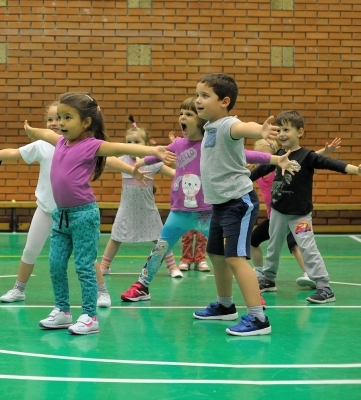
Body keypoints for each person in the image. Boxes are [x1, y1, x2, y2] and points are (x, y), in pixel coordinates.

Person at [0, 101, 150, 308]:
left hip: (73, 211)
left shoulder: (79, 146)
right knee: (30, 250)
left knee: (86, 256)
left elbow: (108, 159)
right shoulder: (42, 146)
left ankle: (102, 292)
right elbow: (14, 153)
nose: (55, 123)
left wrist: (131, 169)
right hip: (46, 209)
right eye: (51, 119)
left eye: (61, 118)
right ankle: (19, 289)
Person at [23, 92, 174, 335]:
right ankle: (62, 311)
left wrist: (152, 150)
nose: (60, 122)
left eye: (67, 118)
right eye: (59, 117)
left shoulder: (91, 145)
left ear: (86, 123)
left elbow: (117, 147)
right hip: (60, 215)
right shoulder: (60, 141)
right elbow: (46, 133)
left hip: (83, 215)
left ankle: (89, 316)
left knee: (84, 265)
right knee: (55, 263)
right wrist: (32, 131)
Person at [120, 97, 293, 304]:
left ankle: (253, 295)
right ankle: (142, 286)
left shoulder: (212, 143)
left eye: (189, 114)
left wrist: (274, 160)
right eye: (181, 113)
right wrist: (140, 165)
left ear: (201, 120)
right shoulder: (178, 143)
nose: (183, 117)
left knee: (227, 258)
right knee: (160, 248)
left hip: (208, 213)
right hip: (179, 211)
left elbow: (245, 154)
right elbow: (158, 155)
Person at [191, 73, 283, 336]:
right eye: (197, 95)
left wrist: (261, 131)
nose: (199, 100)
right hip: (220, 204)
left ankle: (258, 318)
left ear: (225, 101)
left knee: (235, 257)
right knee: (216, 255)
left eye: (205, 95)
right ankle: (225, 305)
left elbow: (243, 128)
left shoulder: (228, 123)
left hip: (238, 203)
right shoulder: (210, 127)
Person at [250, 112, 359, 304]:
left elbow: (331, 163)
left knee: (307, 247)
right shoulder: (278, 156)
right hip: (277, 211)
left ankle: (324, 287)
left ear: (300, 132)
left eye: (287, 129)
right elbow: (259, 171)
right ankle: (268, 279)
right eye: (280, 130)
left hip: (299, 215)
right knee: (274, 246)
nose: (282, 134)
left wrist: (355, 170)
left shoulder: (307, 156)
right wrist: (240, 179)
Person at [249, 137, 340, 289]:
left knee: (296, 245)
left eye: (265, 156)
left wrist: (325, 151)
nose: (263, 159)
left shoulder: (279, 168)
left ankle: (308, 274)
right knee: (257, 241)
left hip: (292, 213)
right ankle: (262, 273)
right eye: (259, 156)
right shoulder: (258, 170)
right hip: (275, 217)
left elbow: (303, 159)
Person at [99, 117, 181, 278]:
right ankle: (104, 266)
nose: (132, 146)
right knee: (115, 237)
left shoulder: (152, 163)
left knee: (160, 239)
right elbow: (101, 164)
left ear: (146, 145)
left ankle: (172, 267)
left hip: (147, 209)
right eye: (128, 142)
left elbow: (174, 173)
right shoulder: (121, 161)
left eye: (137, 142)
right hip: (126, 208)